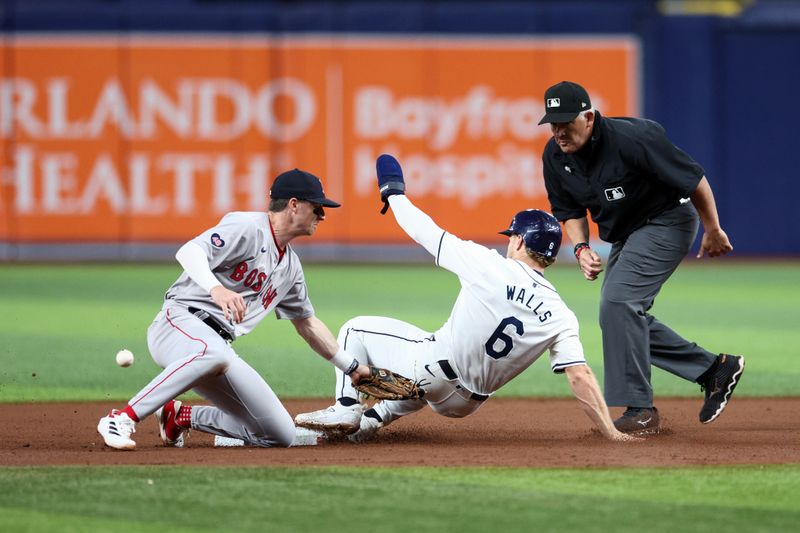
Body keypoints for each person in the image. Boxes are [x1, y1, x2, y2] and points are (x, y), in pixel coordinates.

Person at [294, 154, 638, 443]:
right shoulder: (561, 314)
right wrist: (610, 432)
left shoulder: (488, 265)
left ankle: (345, 407)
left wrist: (394, 194)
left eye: (512, 237)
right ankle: (372, 421)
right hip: (466, 404)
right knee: (417, 380)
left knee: (357, 330)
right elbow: (579, 375)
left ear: (519, 241)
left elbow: (422, 230)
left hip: (433, 369)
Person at [97, 169, 370, 450]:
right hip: (178, 323)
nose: (322, 215)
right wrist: (216, 288)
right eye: (317, 207)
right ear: (293, 204)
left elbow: (308, 325)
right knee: (212, 352)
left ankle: (179, 416)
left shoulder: (291, 267)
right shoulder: (248, 227)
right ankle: (122, 418)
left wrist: (352, 368)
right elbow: (189, 252)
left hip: (216, 350)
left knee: (280, 434)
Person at [537, 80, 745, 434]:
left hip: (668, 219)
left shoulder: (633, 139)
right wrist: (582, 247)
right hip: (626, 233)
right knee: (617, 316)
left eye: (566, 122)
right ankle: (713, 369)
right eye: (553, 123)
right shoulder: (555, 156)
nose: (559, 131)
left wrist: (712, 229)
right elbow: (568, 209)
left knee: (619, 303)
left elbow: (695, 179)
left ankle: (640, 409)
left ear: (588, 117)